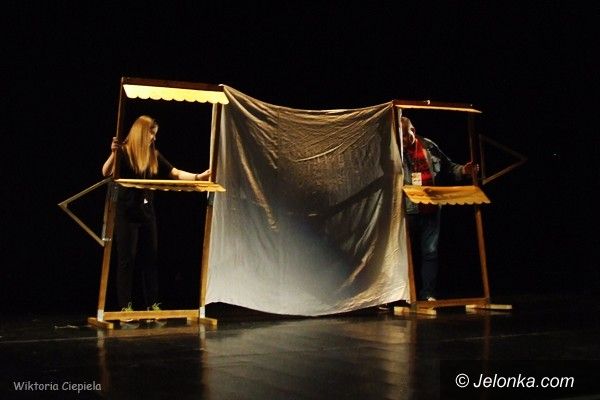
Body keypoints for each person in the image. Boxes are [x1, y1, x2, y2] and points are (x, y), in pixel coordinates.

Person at [102, 115, 210, 320]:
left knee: (150, 258)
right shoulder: (124, 152)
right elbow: (106, 172)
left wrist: (198, 177)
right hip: (126, 213)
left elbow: (175, 173)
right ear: (141, 132)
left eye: (154, 134)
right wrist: (113, 153)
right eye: (151, 134)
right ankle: (125, 307)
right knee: (127, 259)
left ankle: (152, 305)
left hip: (147, 213)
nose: (153, 138)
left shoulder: (153, 155)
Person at [400, 116, 478, 301]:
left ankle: (428, 294)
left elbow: (449, 167)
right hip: (408, 210)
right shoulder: (395, 151)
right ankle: (402, 295)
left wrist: (464, 170)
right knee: (403, 253)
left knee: (430, 252)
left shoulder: (429, 146)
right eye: (398, 136)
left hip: (432, 208)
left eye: (404, 135)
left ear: (413, 130)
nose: (402, 140)